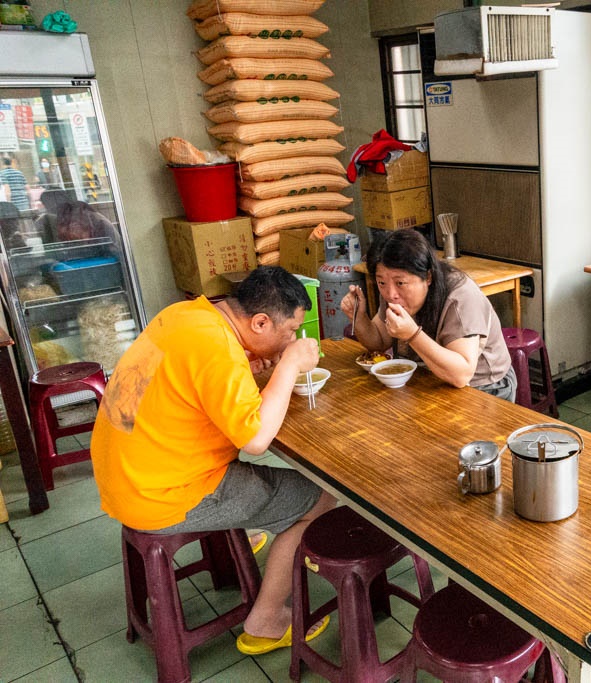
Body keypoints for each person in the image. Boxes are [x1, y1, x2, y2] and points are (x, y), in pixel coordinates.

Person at [91, 266, 336, 654]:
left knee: (267, 484)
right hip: (161, 494)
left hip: (121, 473)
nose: (292, 339)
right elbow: (255, 439)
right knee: (320, 500)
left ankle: (246, 539)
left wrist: (245, 364)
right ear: (259, 322)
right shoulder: (218, 350)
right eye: (290, 331)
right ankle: (266, 620)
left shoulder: (187, 315)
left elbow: (187, 382)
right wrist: (289, 365)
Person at [341, 228, 517, 401]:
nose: (391, 293)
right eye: (381, 282)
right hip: (429, 378)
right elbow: (379, 342)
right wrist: (358, 316)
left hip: (484, 387)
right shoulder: (392, 291)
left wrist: (412, 335)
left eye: (400, 283)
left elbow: (461, 375)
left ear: (428, 277)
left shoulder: (460, 297)